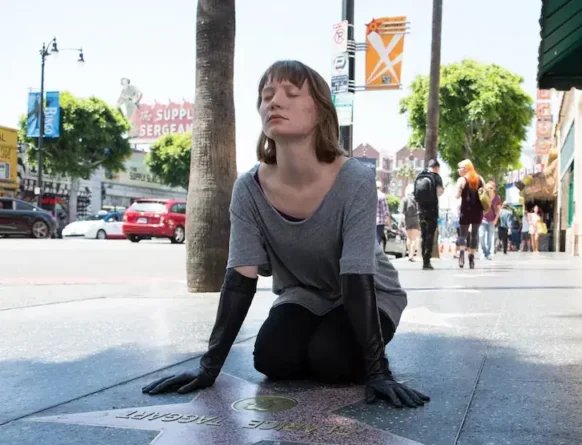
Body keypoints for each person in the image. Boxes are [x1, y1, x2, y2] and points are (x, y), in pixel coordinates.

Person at [141, 60, 428, 408]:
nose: (274, 102)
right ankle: (322, 339)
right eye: (266, 96)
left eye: (291, 93)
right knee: (272, 360)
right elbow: (239, 278)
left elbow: (356, 275)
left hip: (371, 292)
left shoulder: (354, 178)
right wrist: (208, 367)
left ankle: (344, 346)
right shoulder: (249, 188)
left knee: (331, 362)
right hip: (304, 293)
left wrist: (377, 371)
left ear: (321, 111)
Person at [413, 159, 444, 270]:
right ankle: (427, 260)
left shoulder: (420, 175)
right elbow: (439, 192)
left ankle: (423, 258)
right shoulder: (436, 177)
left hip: (420, 210)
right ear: (437, 167)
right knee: (430, 234)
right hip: (432, 210)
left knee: (423, 234)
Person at [455, 160, 484, 269]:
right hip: (478, 210)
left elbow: (457, 196)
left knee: (463, 234)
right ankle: (471, 257)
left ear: (466, 169)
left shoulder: (462, 180)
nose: (459, 170)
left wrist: (459, 192)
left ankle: (461, 253)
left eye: (460, 168)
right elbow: (485, 193)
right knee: (474, 234)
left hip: (466, 209)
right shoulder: (480, 178)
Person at [479, 180, 502, 260]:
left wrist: (496, 219)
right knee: (481, 237)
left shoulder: (497, 198)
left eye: (491, 188)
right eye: (487, 188)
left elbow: (499, 210)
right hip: (482, 219)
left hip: (491, 220)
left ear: (494, 188)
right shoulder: (483, 195)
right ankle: (485, 251)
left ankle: (488, 254)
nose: (489, 189)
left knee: (489, 238)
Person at [401, 184, 420, 261]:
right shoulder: (417, 199)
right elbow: (420, 210)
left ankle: (409, 253)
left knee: (408, 238)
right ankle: (411, 255)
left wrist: (400, 222)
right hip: (416, 219)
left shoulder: (404, 199)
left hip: (407, 219)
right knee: (414, 238)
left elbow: (402, 212)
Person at [376, 181, 391, 246]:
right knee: (377, 239)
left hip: (370, 222)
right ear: (380, 187)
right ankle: (375, 255)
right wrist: (388, 223)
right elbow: (385, 211)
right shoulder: (382, 196)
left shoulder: (369, 194)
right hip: (379, 222)